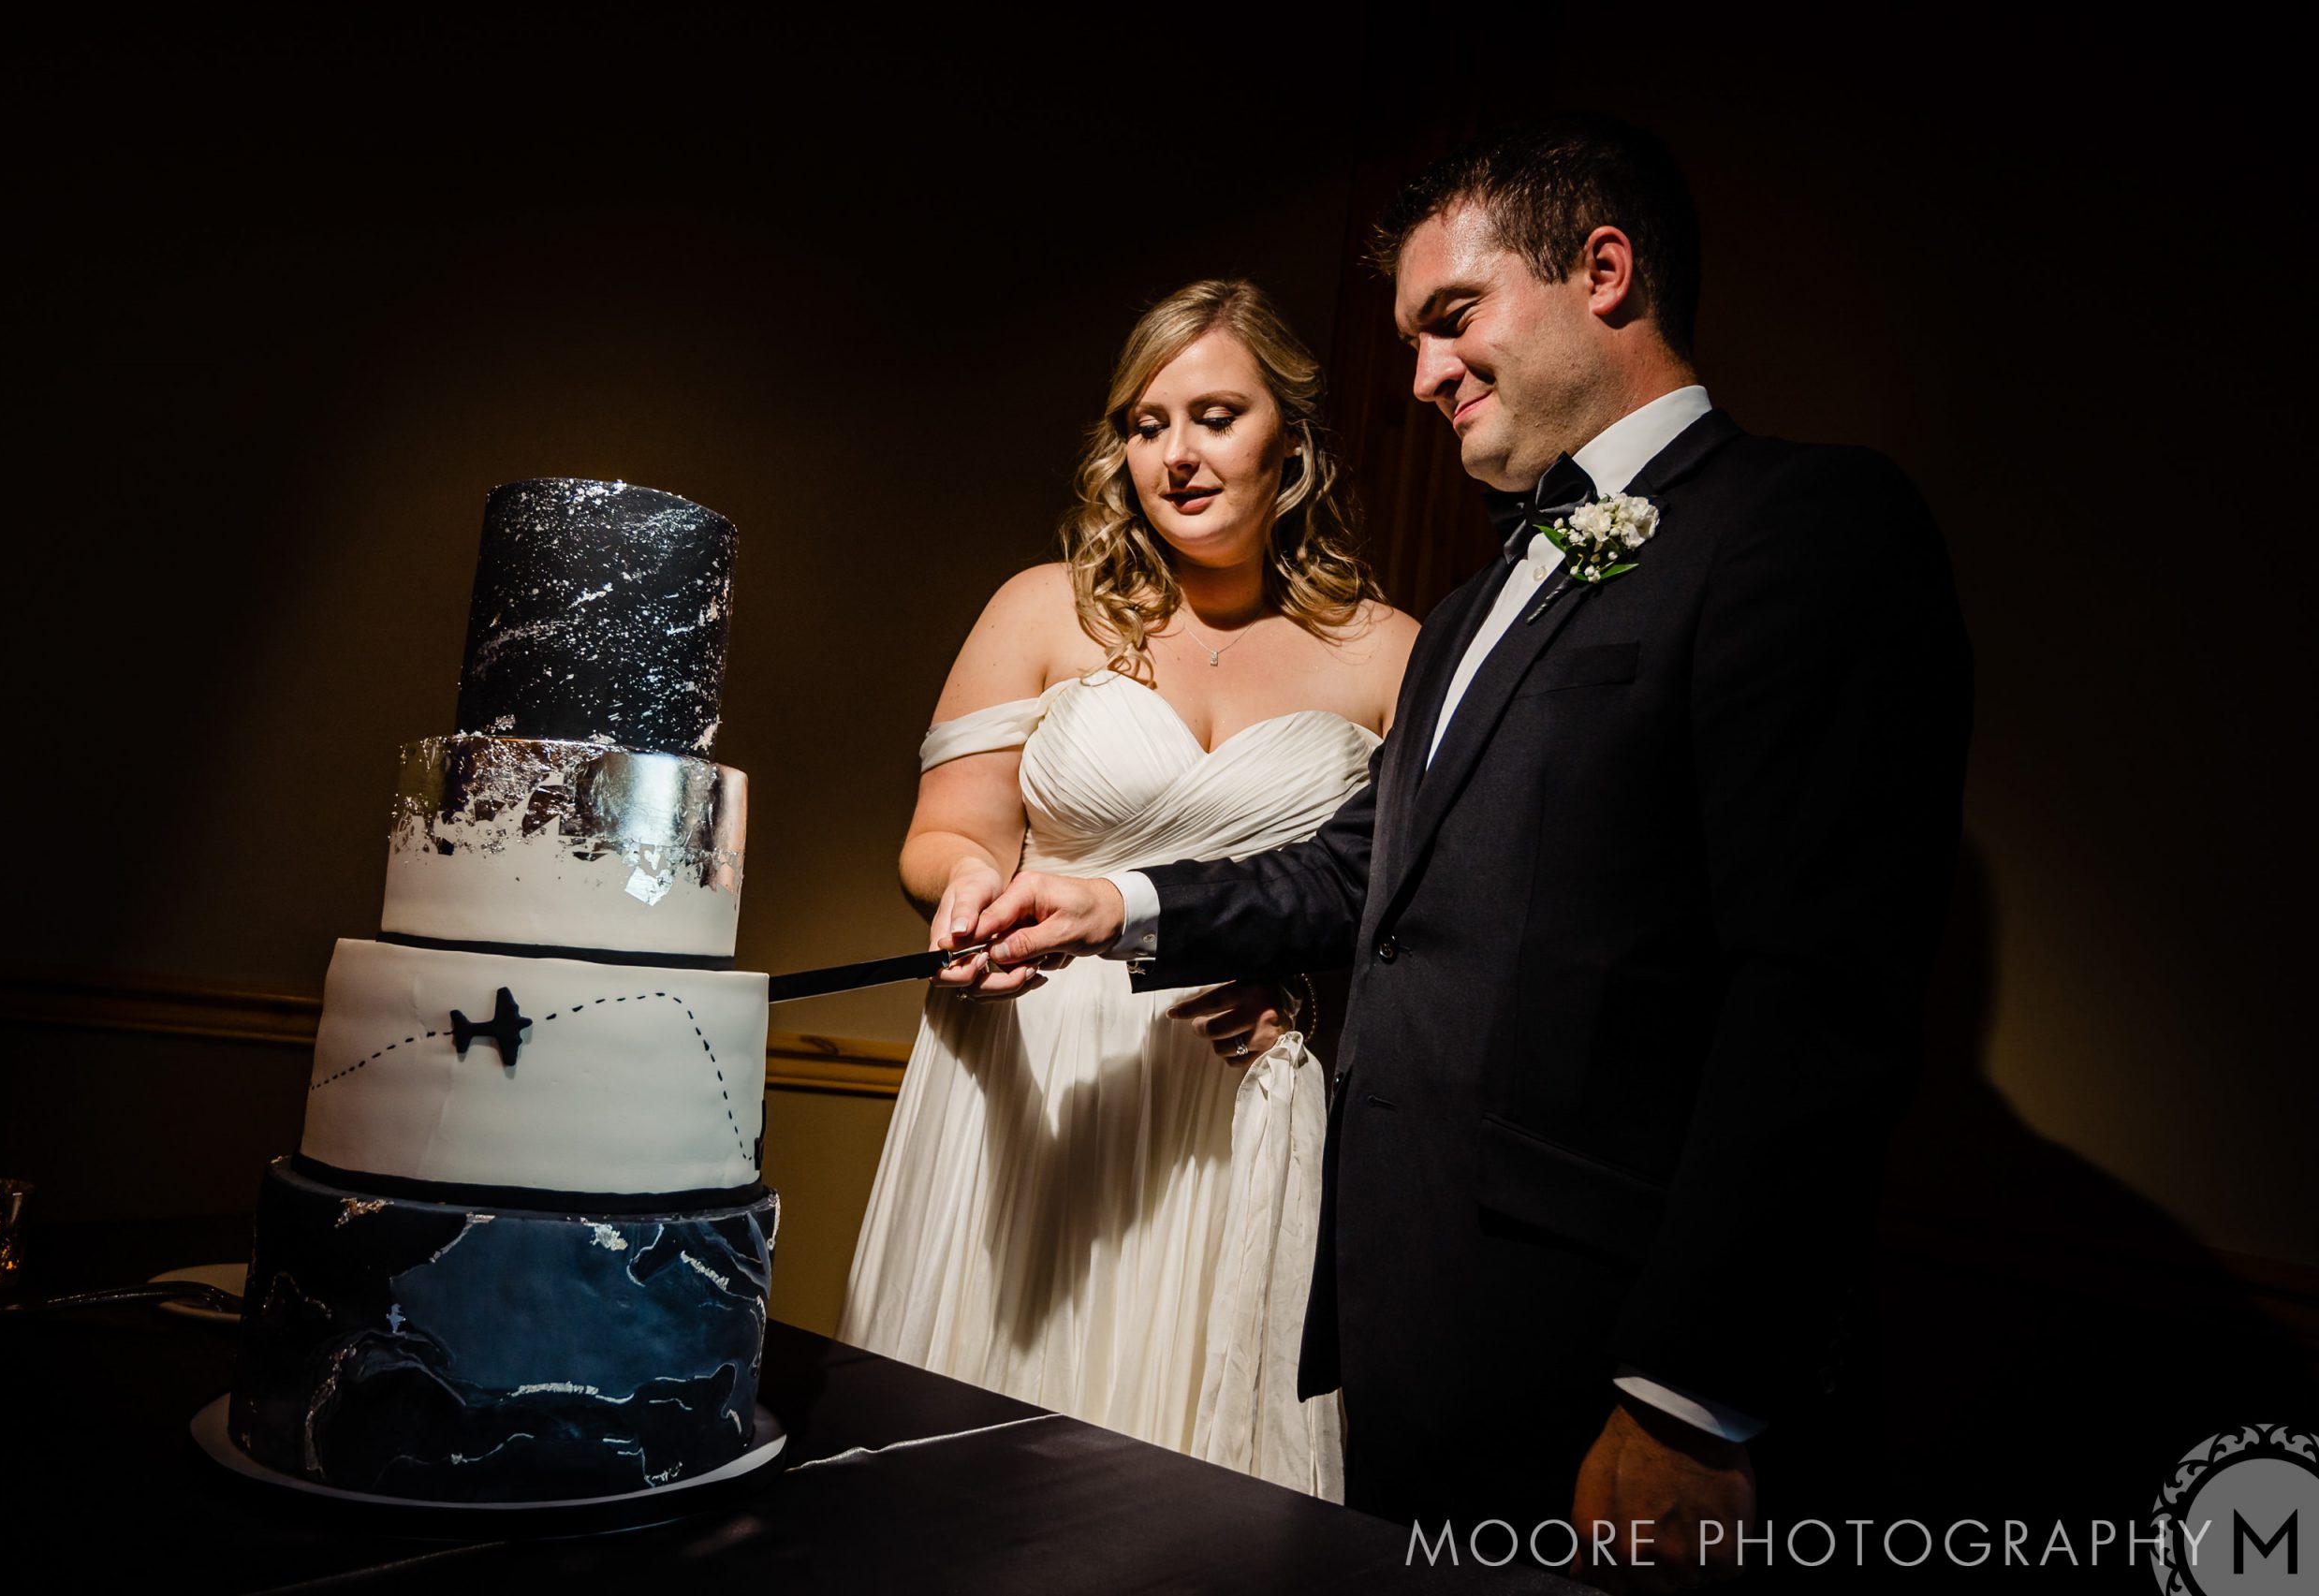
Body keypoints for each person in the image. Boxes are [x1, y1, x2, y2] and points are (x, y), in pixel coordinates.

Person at [956, 117, 1972, 1589]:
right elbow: (1354, 872)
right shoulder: (1479, 594)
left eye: (1454, 318)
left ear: (1603, 272)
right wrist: (1112, 900)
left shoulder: (1806, 528)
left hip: (1609, 1346)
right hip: (1407, 1320)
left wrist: (1689, 1398)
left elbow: (1819, 998)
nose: (1423, 372)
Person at [838, 279, 1418, 1500]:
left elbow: (1405, 910)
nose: (1176, 455)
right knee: (973, 1486)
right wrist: (965, 893)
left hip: (1232, 1101)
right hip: (1032, 1078)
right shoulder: (1043, 610)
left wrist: (1305, 992)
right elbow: (946, 833)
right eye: (1145, 425)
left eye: (1213, 415)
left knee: (1185, 1496)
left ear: (1292, 440)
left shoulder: (1393, 655)